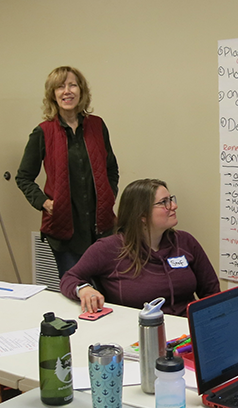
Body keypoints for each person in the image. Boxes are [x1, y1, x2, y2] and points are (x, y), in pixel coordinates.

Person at [16, 66, 119, 278]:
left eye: (72, 85)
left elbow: (111, 168)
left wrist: (110, 195)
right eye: (60, 87)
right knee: (78, 289)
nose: (67, 91)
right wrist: (44, 203)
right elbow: (23, 177)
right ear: (53, 94)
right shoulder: (43, 132)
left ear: (81, 91)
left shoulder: (97, 126)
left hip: (101, 227)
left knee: (108, 290)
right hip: (65, 231)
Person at [60, 179, 219, 316]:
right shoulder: (110, 248)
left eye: (171, 199)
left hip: (185, 330)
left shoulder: (185, 241)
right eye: (164, 202)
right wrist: (84, 289)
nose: (174, 206)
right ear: (142, 215)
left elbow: (212, 292)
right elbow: (69, 278)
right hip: (138, 333)